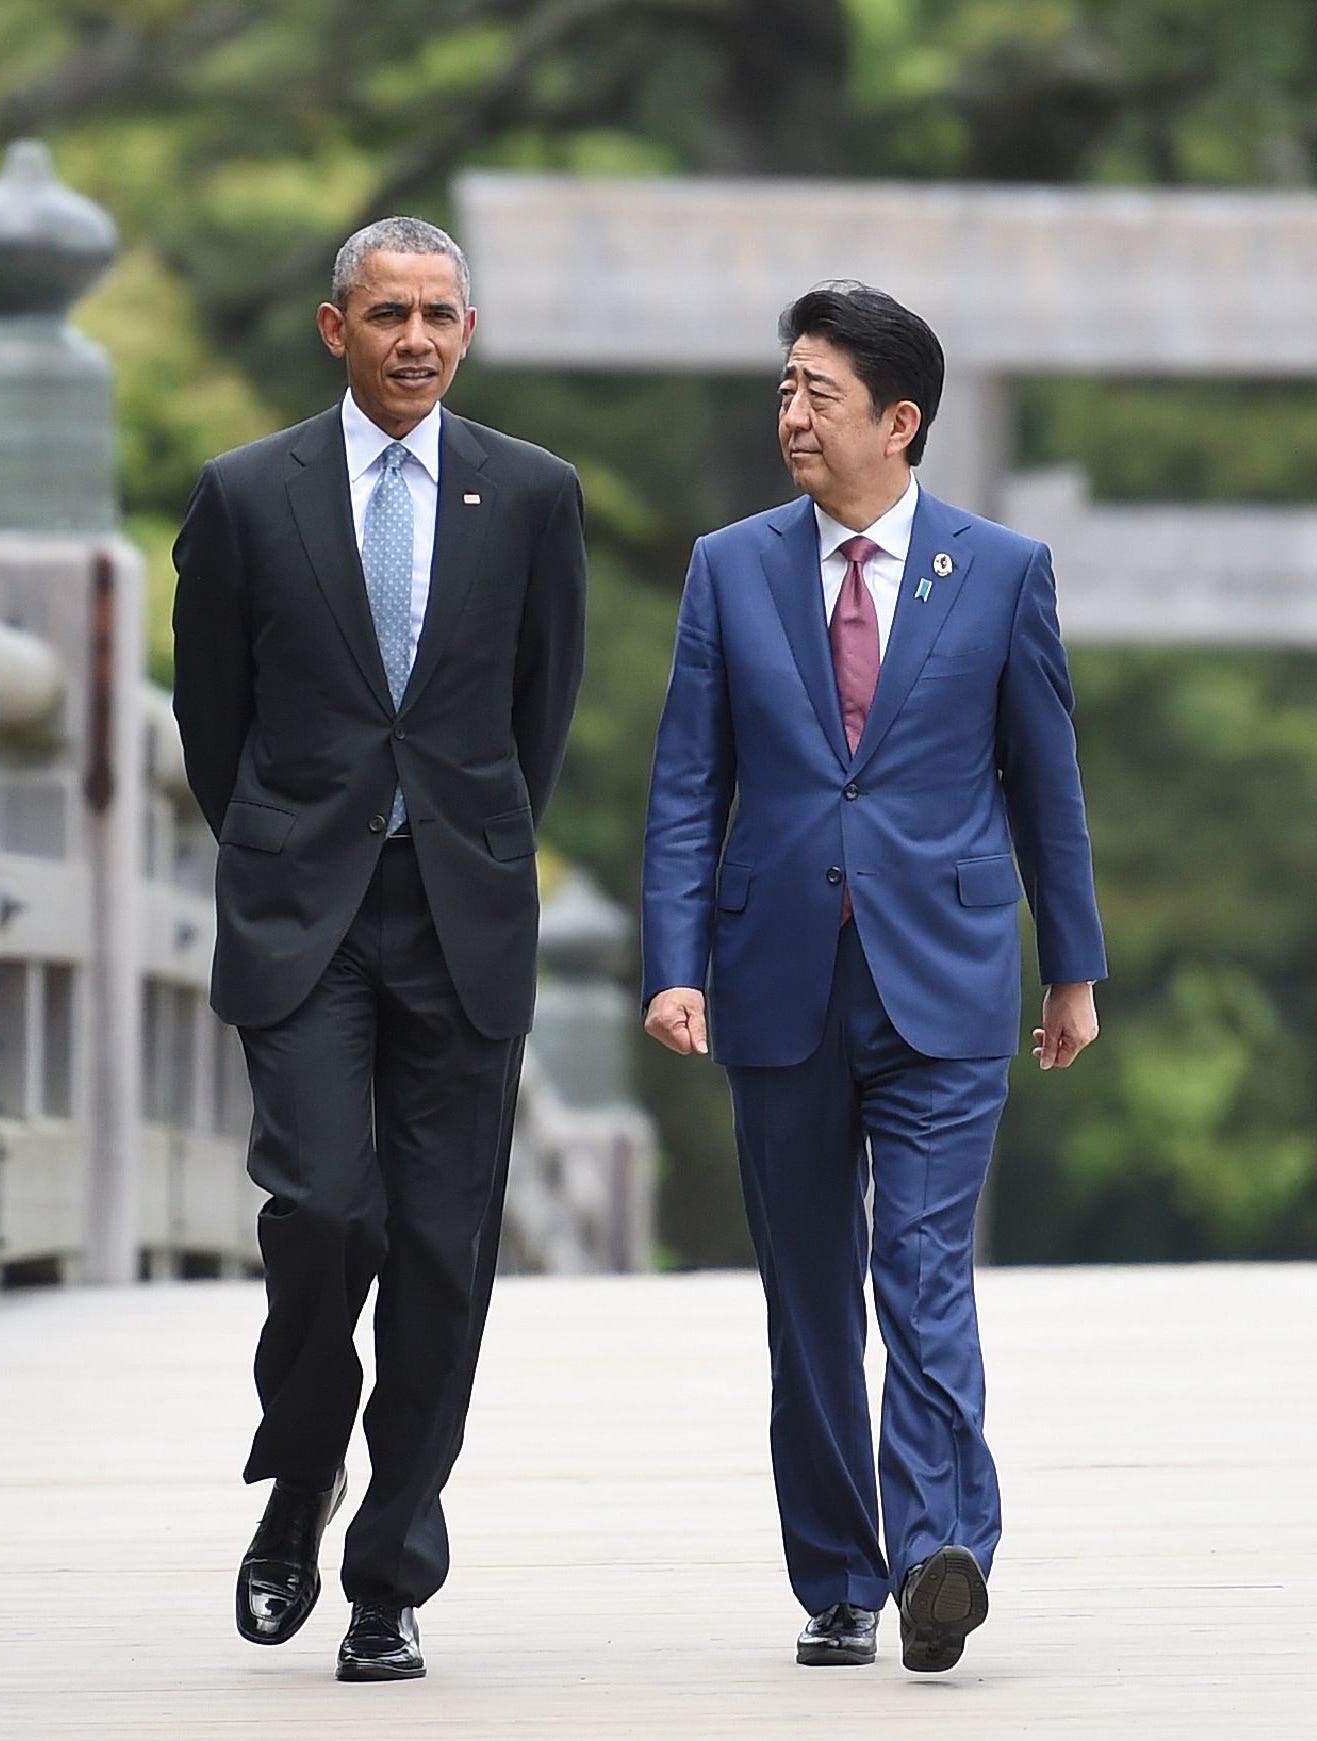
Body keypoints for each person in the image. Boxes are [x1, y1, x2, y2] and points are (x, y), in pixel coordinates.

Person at [640, 281, 1106, 1673]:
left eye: (816, 392)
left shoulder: (1002, 571)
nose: (789, 413)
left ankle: (937, 1550)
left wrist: (1071, 967)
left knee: (918, 1267)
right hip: (774, 971)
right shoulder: (727, 568)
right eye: (782, 387)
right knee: (807, 1291)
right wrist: (675, 964)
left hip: (945, 976)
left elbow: (1048, 785)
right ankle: (838, 1573)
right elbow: (684, 785)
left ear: (898, 422)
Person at [171, 215, 586, 1682]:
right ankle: (300, 1465)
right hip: (307, 914)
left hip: (461, 912)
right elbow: (211, 726)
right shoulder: (244, 495)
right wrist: (300, 840)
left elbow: (537, 715)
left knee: (440, 1258)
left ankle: (387, 1574)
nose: (416, 338)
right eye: (388, 312)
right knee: (325, 1211)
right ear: (334, 327)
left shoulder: (531, 495)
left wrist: (460, 839)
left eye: (440, 314)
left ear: (466, 332)